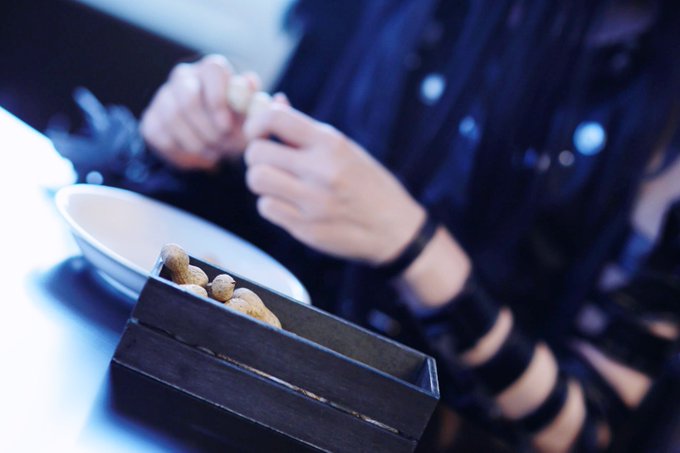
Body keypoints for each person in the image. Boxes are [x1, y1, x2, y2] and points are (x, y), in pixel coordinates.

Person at [57, 0, 680, 451]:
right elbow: (252, 254)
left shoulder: (663, 123)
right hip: (218, 390)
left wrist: (415, 249)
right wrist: (197, 146)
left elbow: (580, 432)